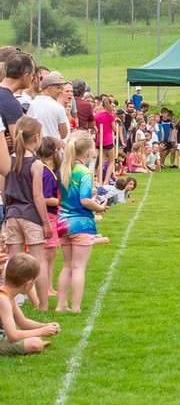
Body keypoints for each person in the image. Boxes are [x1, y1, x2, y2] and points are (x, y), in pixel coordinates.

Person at [57, 131, 109, 313]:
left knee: (67, 265)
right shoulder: (84, 172)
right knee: (79, 267)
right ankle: (75, 307)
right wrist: (99, 207)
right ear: (88, 151)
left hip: (63, 223)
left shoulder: (64, 169)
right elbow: (84, 200)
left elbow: (65, 196)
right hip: (81, 223)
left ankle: (61, 305)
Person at [3, 117, 52, 308]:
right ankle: (43, 304)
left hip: (12, 214)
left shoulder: (8, 161)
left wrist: (8, 212)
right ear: (37, 137)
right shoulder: (36, 164)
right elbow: (38, 196)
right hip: (31, 215)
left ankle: (11, 303)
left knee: (14, 261)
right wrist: (46, 222)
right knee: (38, 260)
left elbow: (4, 191)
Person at [0, 253, 60, 356]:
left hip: (3, 336)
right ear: (27, 284)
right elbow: (13, 336)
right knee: (35, 344)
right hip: (4, 337)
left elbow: (23, 322)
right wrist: (41, 331)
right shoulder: (3, 299)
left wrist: (46, 326)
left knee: (34, 337)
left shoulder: (7, 295)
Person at [38, 136, 61, 310]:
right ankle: (45, 288)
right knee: (47, 255)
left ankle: (50, 287)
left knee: (51, 254)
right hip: (48, 215)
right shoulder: (46, 172)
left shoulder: (49, 171)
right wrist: (62, 201)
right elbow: (45, 198)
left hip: (53, 214)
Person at [27, 71, 69, 141]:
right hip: (53, 144)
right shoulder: (58, 107)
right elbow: (64, 134)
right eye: (58, 88)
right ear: (49, 89)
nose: (61, 91)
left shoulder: (31, 104)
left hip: (36, 144)